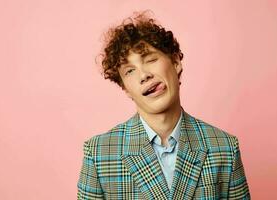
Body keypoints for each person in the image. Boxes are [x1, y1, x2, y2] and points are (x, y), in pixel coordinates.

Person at [77, 11, 250, 200]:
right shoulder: (98, 153)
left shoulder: (224, 148)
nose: (144, 75)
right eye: (130, 71)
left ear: (175, 62)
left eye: (150, 60)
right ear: (125, 88)